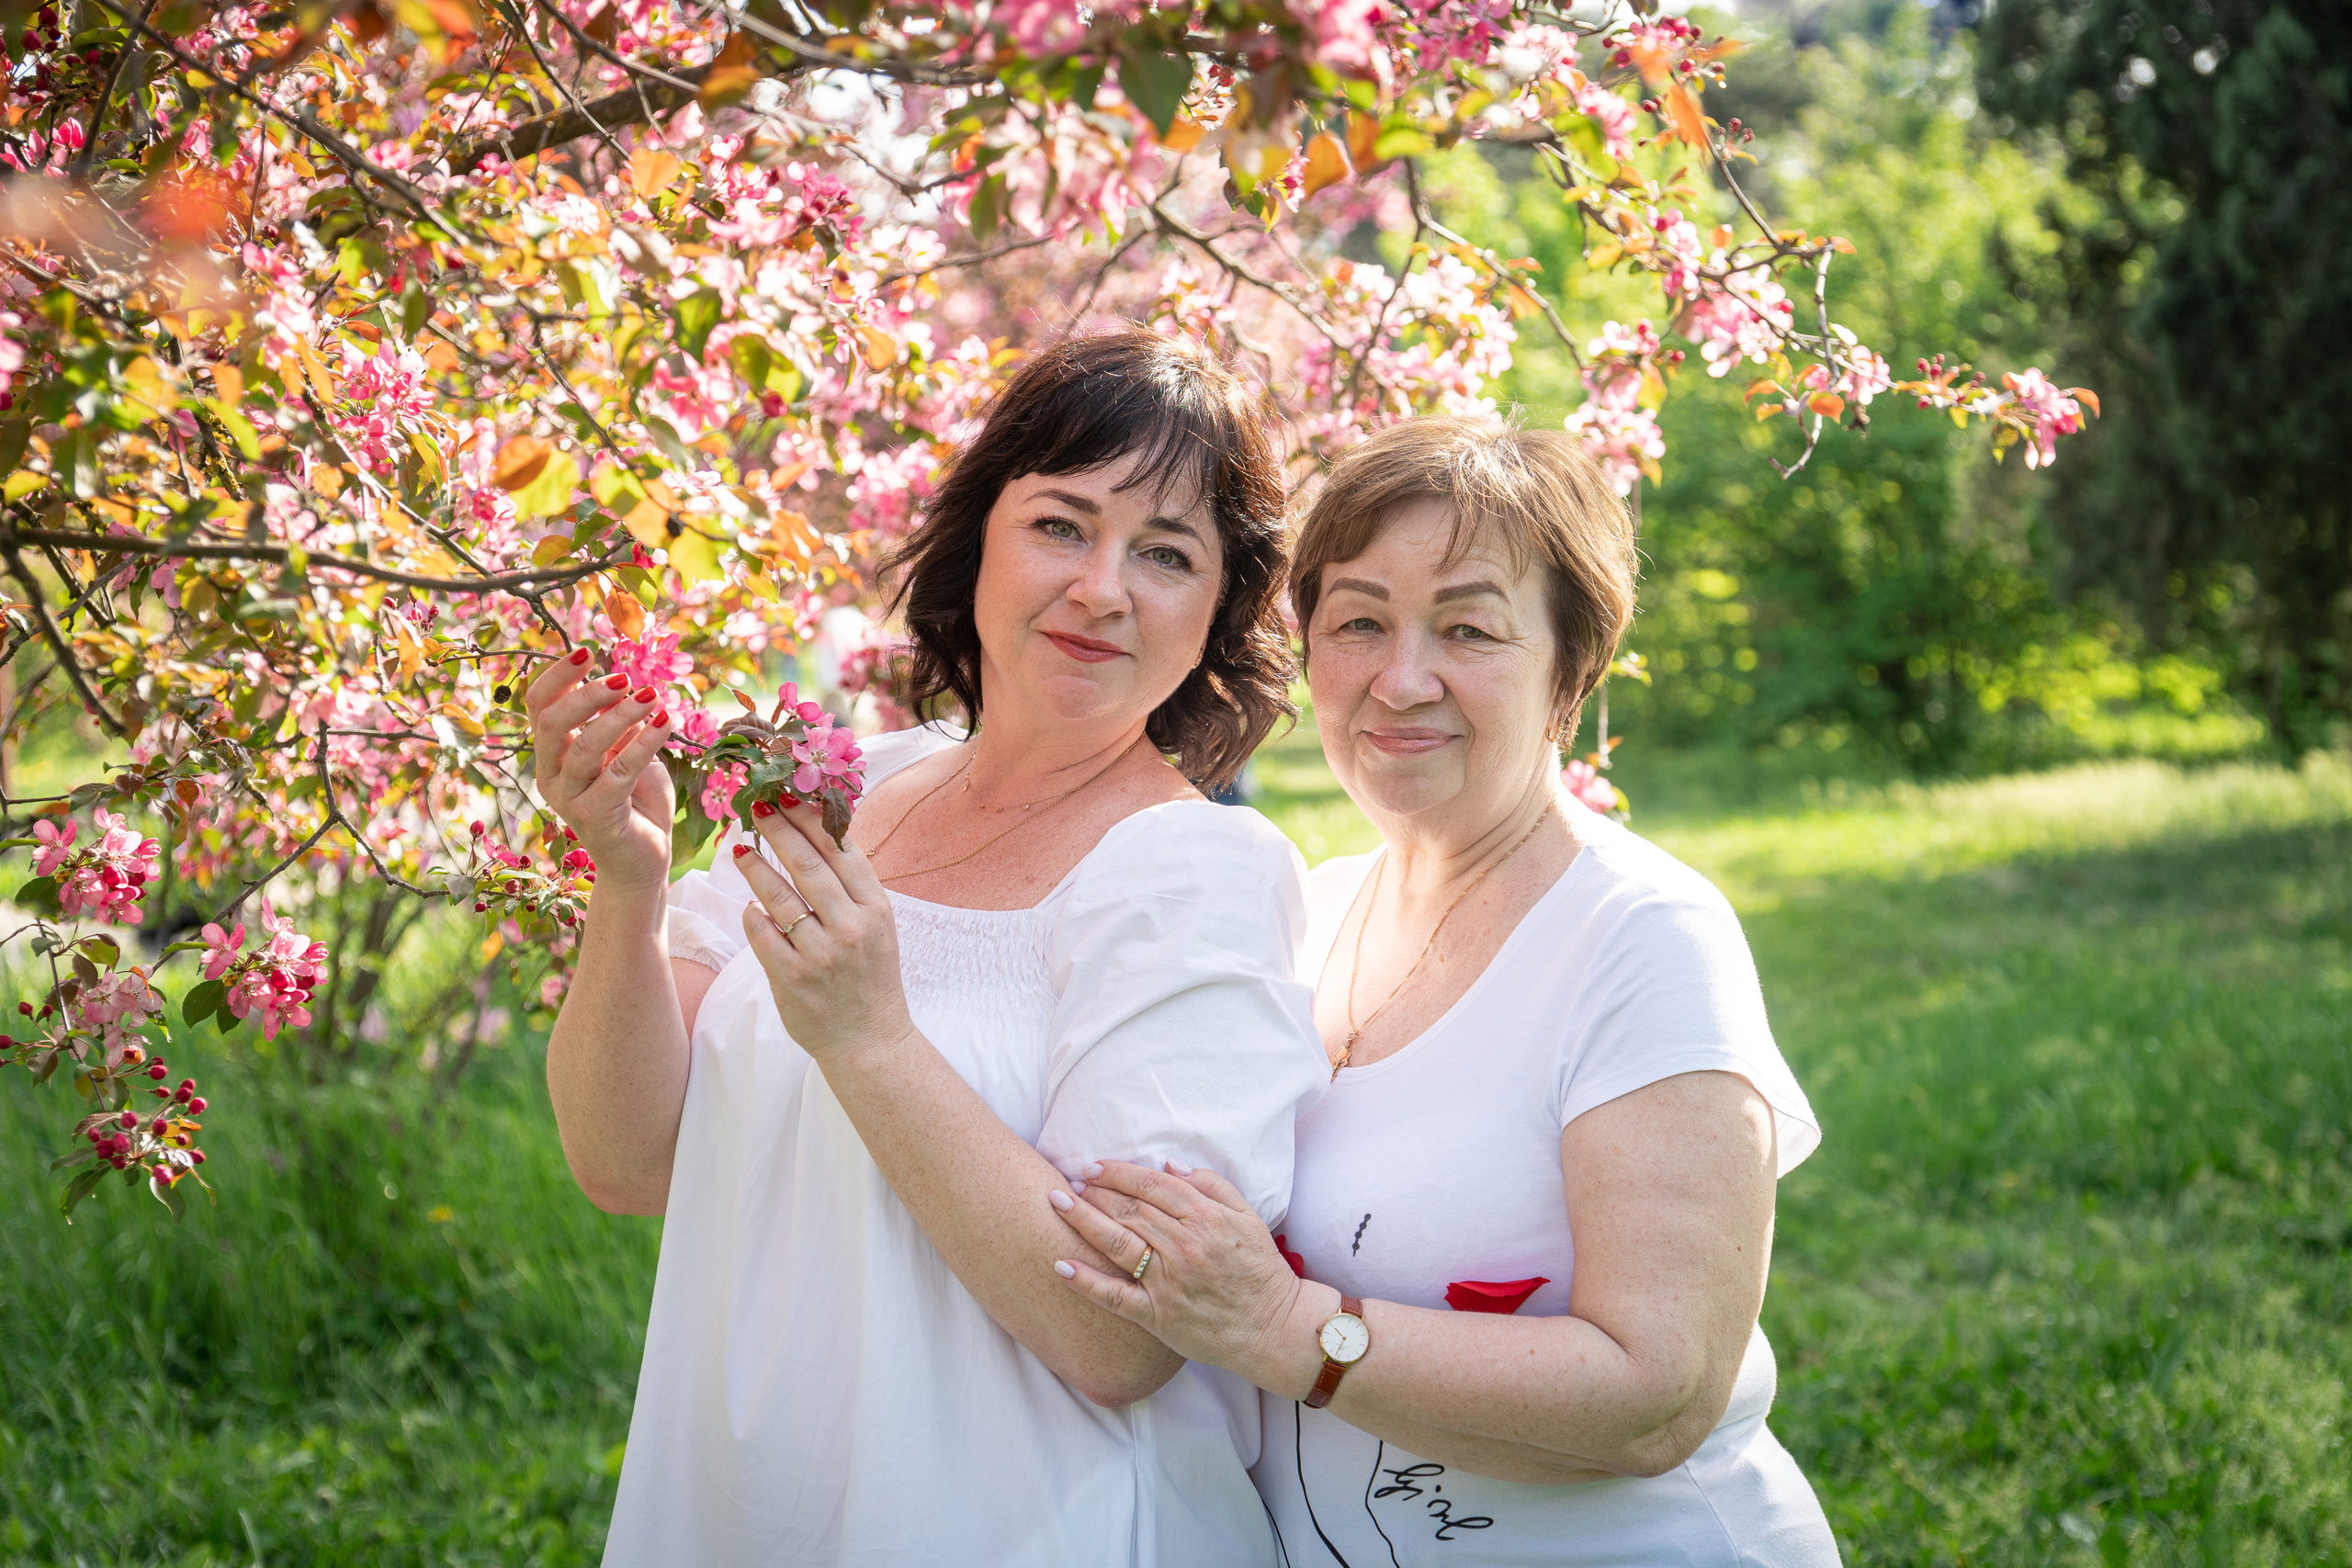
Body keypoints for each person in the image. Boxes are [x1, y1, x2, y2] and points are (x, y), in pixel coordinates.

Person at [527, 329, 1329, 1566]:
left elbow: (1123, 1333)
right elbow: (626, 1158)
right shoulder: (848, 781)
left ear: (1218, 609)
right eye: (1062, 524)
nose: (1104, 586)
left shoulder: (1199, 873)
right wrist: (627, 884)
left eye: (1166, 552)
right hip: (755, 1501)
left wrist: (871, 1034)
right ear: (980, 539)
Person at [1048, 416, 1840, 1566]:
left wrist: (1286, 1332)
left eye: (1467, 628)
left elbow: (1659, 1393)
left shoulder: (1640, 938)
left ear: (1571, 665)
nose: (1400, 678)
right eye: (1358, 622)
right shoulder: (1302, 916)